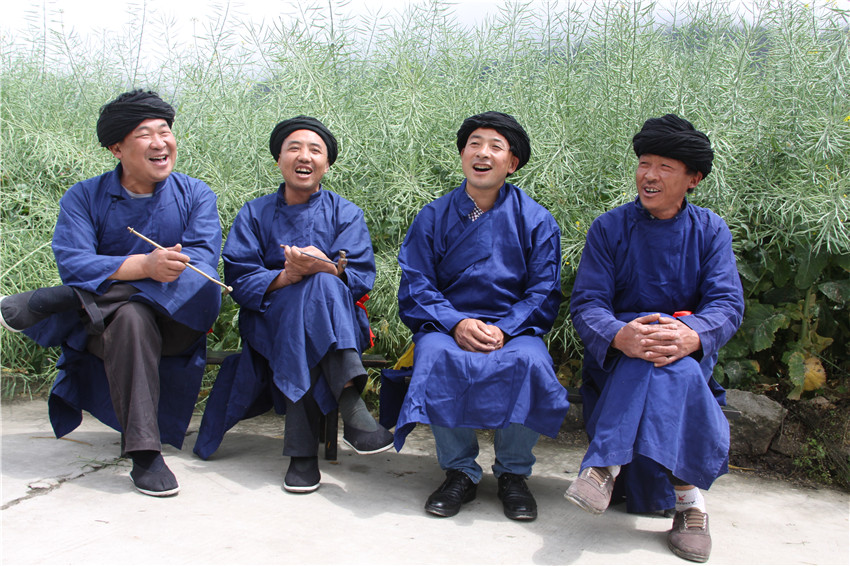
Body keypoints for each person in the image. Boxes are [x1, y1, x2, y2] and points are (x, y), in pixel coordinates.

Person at [0, 89, 223, 497]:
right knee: (132, 318)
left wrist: (109, 282)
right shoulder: (84, 197)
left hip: (179, 320)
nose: (160, 142)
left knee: (202, 280)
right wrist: (144, 267)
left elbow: (202, 263)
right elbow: (74, 263)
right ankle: (145, 454)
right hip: (112, 328)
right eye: (145, 134)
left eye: (165, 131)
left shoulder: (196, 194)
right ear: (116, 148)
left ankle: (72, 300)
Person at [565, 114, 745, 563]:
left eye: (665, 167)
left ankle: (603, 465)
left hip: (681, 351)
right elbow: (587, 303)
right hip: (620, 355)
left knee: (671, 360)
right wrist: (619, 334)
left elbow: (726, 304)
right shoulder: (609, 228)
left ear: (693, 179)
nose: (649, 175)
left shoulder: (710, 231)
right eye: (645, 163)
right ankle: (690, 504)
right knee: (651, 355)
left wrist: (692, 334)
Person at [193, 116, 394, 493]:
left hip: (335, 319)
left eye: (315, 150)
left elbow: (361, 276)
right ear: (279, 160)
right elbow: (238, 276)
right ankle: (351, 403)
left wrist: (325, 268)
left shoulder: (345, 213)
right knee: (308, 305)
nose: (305, 156)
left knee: (322, 288)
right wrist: (286, 276)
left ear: (327, 164)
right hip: (269, 317)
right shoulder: (254, 213)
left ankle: (302, 457)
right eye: (294, 148)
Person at [394, 111, 569, 521]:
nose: (482, 153)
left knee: (530, 361)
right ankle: (460, 471)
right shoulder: (433, 216)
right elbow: (417, 282)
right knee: (436, 356)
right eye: (474, 144)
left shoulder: (536, 220)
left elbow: (543, 290)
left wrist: (503, 328)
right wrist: (456, 322)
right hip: (447, 323)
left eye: (495, 146)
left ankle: (513, 473)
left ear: (513, 163)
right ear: (462, 155)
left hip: (513, 326)